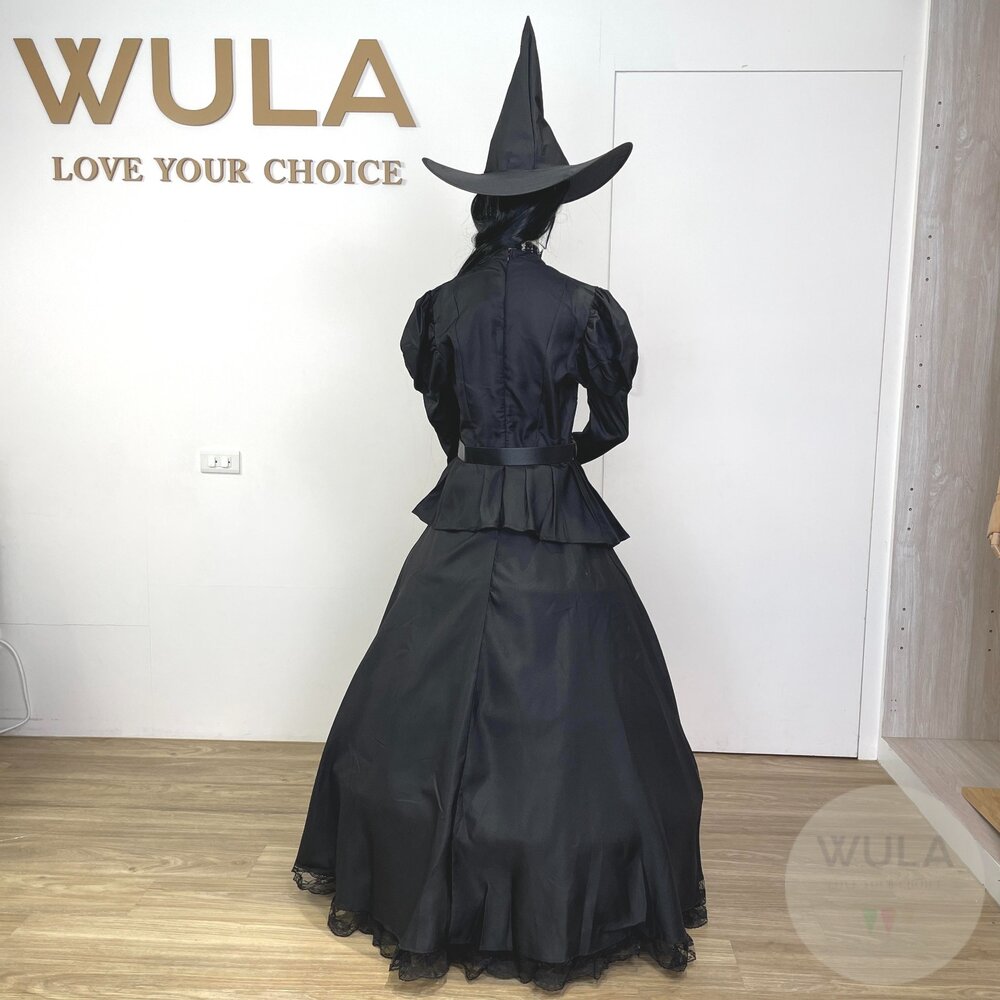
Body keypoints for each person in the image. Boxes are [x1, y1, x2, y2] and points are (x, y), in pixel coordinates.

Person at [291, 15, 708, 991]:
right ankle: (556, 890)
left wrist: (489, 460)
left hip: (465, 515)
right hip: (554, 517)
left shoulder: (439, 308)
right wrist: (550, 463)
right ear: (552, 209)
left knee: (421, 708)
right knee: (582, 713)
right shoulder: (586, 307)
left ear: (483, 208)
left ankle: (428, 886)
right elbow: (610, 425)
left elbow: (443, 422)